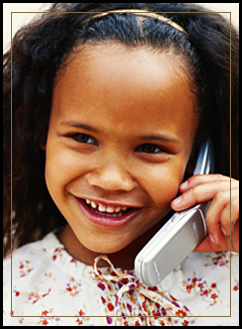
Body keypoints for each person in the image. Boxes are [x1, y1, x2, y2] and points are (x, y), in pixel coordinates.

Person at [3, 3, 239, 326]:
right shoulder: (14, 292)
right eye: (83, 138)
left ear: (197, 155)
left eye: (150, 147)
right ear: (42, 130)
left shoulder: (230, 270)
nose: (111, 180)